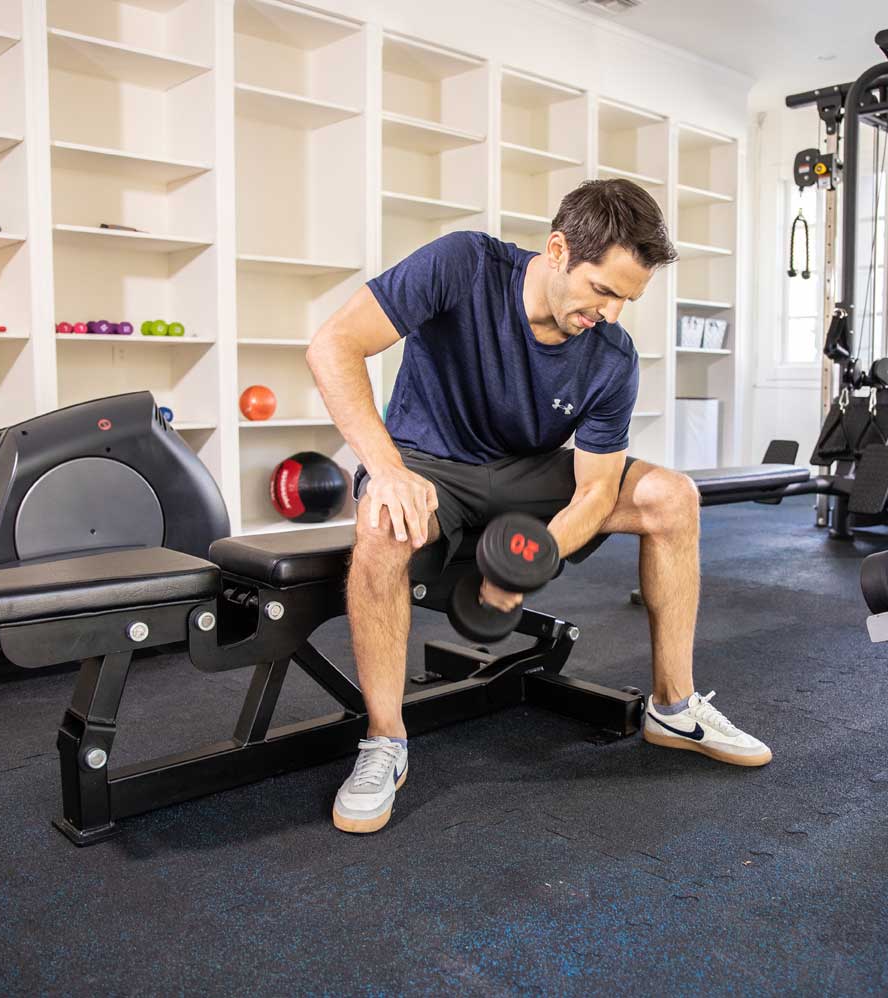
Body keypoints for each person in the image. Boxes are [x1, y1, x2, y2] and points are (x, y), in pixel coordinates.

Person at [307, 178, 771, 834]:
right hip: (429, 462)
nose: (609, 313)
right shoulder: (464, 265)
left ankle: (674, 705)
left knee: (673, 497)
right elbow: (332, 345)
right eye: (603, 290)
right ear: (557, 250)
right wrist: (385, 470)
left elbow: (595, 491)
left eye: (627, 300)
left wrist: (523, 567)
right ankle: (386, 740)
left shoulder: (611, 355)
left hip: (529, 475)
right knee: (381, 526)